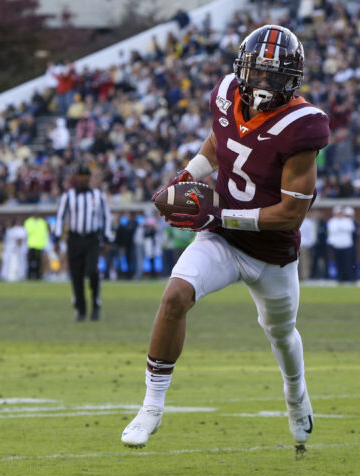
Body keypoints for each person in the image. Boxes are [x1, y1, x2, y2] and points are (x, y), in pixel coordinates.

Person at [121, 25, 329, 451]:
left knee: (281, 333)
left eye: (275, 75)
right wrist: (187, 176)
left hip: (272, 253)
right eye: (259, 72)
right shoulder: (227, 94)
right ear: (242, 69)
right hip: (223, 239)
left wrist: (220, 213)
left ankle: (296, 397)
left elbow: (291, 214)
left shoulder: (302, 127)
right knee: (175, 296)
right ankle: (151, 407)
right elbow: (220, 140)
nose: (265, 83)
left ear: (293, 79)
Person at [54, 164, 112, 321]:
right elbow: (61, 217)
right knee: (76, 275)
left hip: (92, 239)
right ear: (75, 178)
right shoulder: (68, 196)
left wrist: (106, 238)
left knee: (92, 271)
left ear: (89, 178)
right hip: (74, 239)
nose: (82, 179)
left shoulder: (98, 196)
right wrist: (57, 237)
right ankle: (81, 309)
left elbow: (106, 217)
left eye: (85, 176)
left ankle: (95, 304)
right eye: (80, 176)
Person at [327, 206, 355, 283]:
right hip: (336, 245)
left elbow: (350, 229)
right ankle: (340, 278)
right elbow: (332, 231)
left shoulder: (347, 221)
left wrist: (340, 228)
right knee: (339, 263)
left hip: (346, 245)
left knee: (348, 263)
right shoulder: (332, 221)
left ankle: (349, 278)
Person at [24, 212, 50, 280]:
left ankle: (38, 275)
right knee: (31, 261)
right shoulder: (28, 221)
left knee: (39, 261)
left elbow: (44, 233)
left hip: (40, 245)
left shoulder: (42, 222)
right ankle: (30, 274)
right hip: (31, 245)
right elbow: (27, 232)